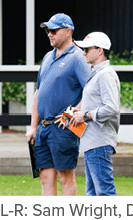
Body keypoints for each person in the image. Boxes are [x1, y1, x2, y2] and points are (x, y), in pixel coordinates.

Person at [25, 13, 90, 196]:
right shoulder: (47, 57)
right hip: (43, 128)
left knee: (65, 178)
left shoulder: (78, 57)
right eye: (47, 30)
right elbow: (38, 93)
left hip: (63, 128)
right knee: (45, 178)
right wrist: (33, 127)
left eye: (53, 30)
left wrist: (75, 112)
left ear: (68, 31)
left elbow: (91, 91)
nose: (49, 34)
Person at [69, 32, 120, 196]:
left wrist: (85, 115)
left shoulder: (106, 75)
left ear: (100, 50)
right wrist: (79, 110)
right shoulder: (97, 73)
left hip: (99, 141)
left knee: (104, 192)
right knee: (92, 193)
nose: (83, 53)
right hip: (92, 141)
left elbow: (111, 108)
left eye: (87, 49)